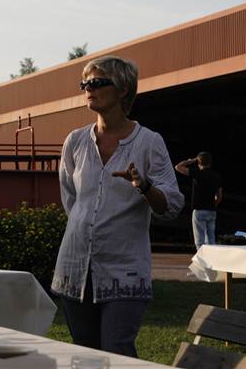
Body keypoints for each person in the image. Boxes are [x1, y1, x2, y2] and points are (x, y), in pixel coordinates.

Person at [51, 55, 184, 358]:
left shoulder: (149, 142)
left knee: (117, 351)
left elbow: (172, 204)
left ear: (123, 89)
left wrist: (144, 187)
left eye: (98, 82)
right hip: (75, 267)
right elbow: (71, 200)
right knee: (85, 355)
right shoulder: (75, 142)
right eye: (85, 84)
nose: (89, 88)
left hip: (124, 269)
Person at [176, 152, 223, 249]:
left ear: (198, 162)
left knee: (199, 241)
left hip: (199, 210)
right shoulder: (217, 176)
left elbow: (178, 167)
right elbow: (219, 196)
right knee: (211, 240)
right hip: (211, 210)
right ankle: (212, 257)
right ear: (210, 162)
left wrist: (191, 161)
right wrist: (213, 205)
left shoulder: (197, 173)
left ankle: (201, 257)